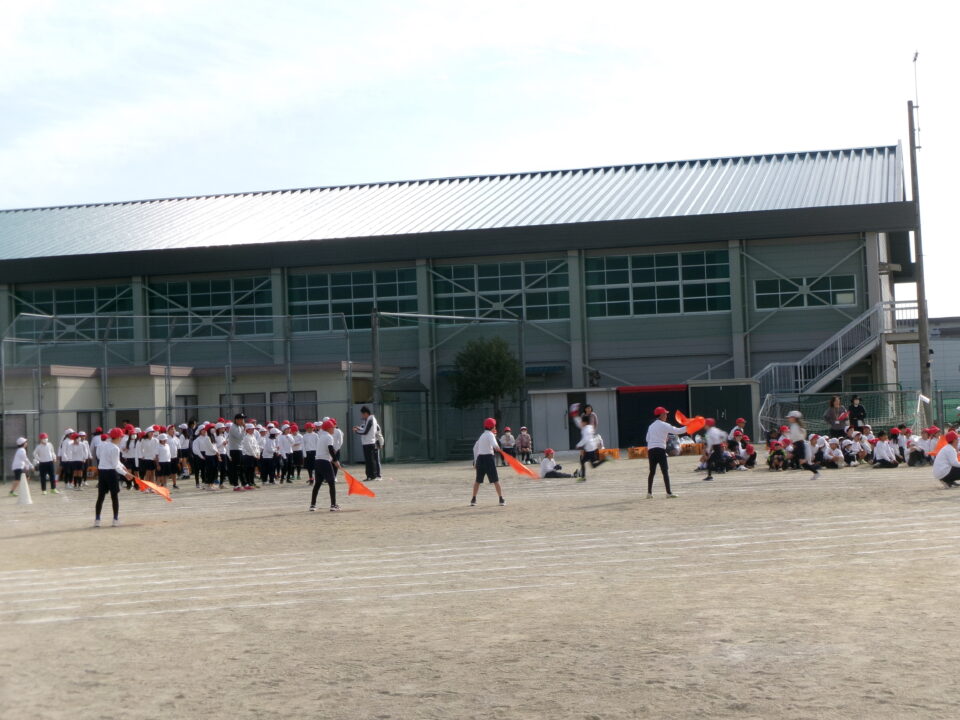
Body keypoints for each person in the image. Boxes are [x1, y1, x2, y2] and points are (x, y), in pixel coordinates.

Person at [94, 427, 136, 527]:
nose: (121, 438)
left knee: (100, 497)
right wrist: (126, 474)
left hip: (102, 472)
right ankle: (115, 519)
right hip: (111, 473)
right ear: (117, 437)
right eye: (120, 437)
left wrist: (123, 467)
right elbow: (115, 465)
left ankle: (97, 520)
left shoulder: (105, 445)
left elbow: (116, 462)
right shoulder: (115, 448)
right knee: (114, 496)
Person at [645, 407, 686, 498]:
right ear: (661, 415)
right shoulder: (664, 425)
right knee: (665, 471)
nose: (666, 416)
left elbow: (647, 439)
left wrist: (659, 438)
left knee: (652, 472)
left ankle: (649, 493)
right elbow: (677, 431)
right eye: (665, 414)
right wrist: (689, 426)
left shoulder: (651, 426)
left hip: (651, 450)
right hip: (660, 450)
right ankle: (668, 493)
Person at [471, 417, 505, 506]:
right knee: (495, 480)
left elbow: (475, 448)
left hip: (480, 459)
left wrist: (475, 461)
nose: (495, 427)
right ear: (491, 427)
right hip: (489, 458)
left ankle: (473, 499)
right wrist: (498, 449)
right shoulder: (490, 435)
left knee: (478, 480)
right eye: (494, 426)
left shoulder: (482, 436)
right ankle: (501, 499)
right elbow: (495, 445)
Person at [309, 420, 340, 512]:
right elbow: (330, 449)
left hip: (317, 462)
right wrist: (335, 460)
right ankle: (333, 505)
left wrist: (332, 459)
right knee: (332, 483)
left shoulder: (321, 437)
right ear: (329, 428)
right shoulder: (329, 437)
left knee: (317, 484)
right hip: (324, 462)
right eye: (333, 427)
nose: (334, 429)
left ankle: (312, 505)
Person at [571, 405, 606, 481]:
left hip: (589, 448)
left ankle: (583, 477)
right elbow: (578, 423)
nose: (581, 423)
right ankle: (605, 460)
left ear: (585, 422)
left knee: (582, 461)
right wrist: (575, 415)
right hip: (591, 448)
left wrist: (578, 445)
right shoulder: (588, 427)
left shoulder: (586, 429)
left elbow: (585, 439)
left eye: (582, 422)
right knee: (593, 465)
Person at [786, 410, 820, 478]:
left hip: (799, 445)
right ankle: (815, 472)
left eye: (790, 417)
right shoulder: (795, 425)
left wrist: (794, 443)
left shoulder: (796, 426)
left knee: (802, 462)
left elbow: (797, 438)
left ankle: (816, 472)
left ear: (794, 418)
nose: (789, 418)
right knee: (792, 458)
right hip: (797, 445)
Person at [353, 406, 382, 482]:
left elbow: (365, 432)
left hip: (370, 442)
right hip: (368, 442)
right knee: (369, 460)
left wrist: (356, 431)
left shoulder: (371, 419)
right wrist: (359, 428)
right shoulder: (369, 419)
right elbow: (365, 430)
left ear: (366, 413)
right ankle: (370, 476)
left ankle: (373, 475)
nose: (362, 416)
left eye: (362, 414)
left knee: (371, 460)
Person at [227, 413, 245, 488]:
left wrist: (243, 428)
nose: (243, 421)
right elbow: (239, 437)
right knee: (236, 468)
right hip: (234, 450)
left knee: (241, 468)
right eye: (241, 419)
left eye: (243, 419)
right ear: (236, 420)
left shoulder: (239, 427)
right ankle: (235, 485)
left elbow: (242, 438)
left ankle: (244, 483)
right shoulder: (233, 427)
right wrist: (244, 428)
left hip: (239, 449)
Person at [240, 423, 261, 489]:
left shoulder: (253, 436)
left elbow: (257, 446)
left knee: (252, 470)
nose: (253, 430)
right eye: (251, 429)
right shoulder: (246, 437)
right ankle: (248, 483)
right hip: (248, 456)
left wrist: (258, 453)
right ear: (247, 430)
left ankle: (252, 482)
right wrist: (255, 455)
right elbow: (249, 447)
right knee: (248, 470)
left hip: (254, 455)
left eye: (253, 429)